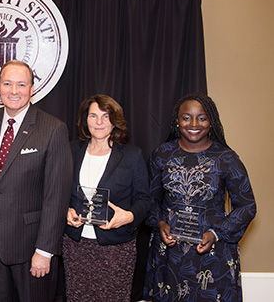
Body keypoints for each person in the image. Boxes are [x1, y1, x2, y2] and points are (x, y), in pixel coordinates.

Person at [0, 60, 73, 302]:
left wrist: (45, 250)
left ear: (32, 89)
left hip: (32, 248)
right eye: (7, 83)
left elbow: (56, 196)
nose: (14, 91)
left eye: (21, 84)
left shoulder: (53, 129)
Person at [144, 93, 256, 301]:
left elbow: (247, 206)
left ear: (211, 122)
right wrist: (160, 223)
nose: (194, 123)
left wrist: (216, 232)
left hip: (213, 254)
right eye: (186, 117)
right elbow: (150, 199)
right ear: (177, 122)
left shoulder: (227, 158)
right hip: (170, 254)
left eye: (202, 118)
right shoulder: (161, 155)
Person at [63, 94, 151, 301]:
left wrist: (129, 216)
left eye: (105, 116)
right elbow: (58, 191)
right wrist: (64, 210)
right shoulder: (70, 150)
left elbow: (145, 201)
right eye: (93, 116)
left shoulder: (132, 155)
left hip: (116, 249)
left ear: (115, 121)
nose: (99, 122)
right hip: (75, 246)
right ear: (86, 120)